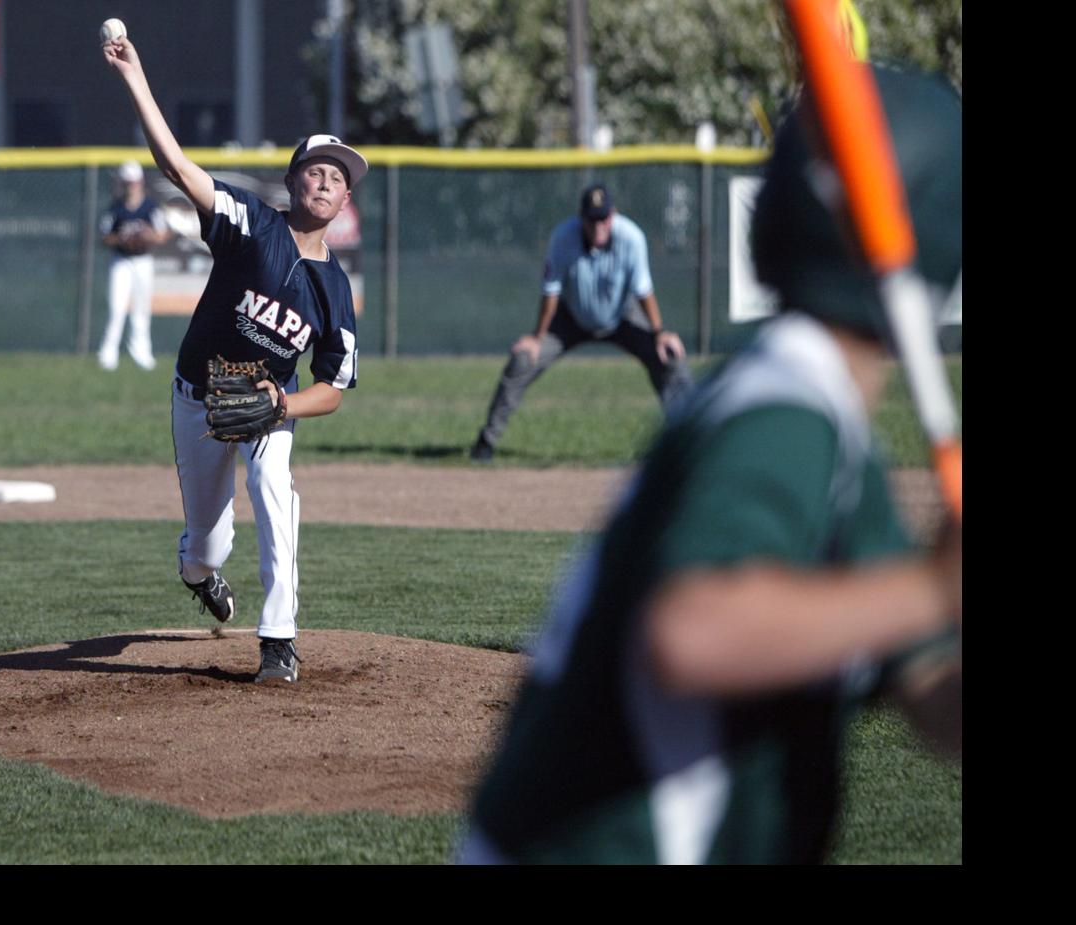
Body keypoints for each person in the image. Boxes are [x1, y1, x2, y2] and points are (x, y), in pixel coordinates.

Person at [458, 64, 962, 864]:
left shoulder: (823, 427)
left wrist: (928, 604)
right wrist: (933, 585)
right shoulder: (784, 407)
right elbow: (691, 629)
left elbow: (931, 691)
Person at [102, 33, 364, 683]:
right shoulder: (254, 223)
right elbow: (176, 169)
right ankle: (198, 572)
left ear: (345, 200)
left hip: (267, 404)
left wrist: (285, 403)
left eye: (339, 176)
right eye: (316, 169)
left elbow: (332, 385)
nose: (326, 179)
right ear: (293, 180)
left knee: (275, 488)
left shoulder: (335, 290)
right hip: (197, 393)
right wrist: (136, 76)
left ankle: (278, 637)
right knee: (206, 544)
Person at [468, 184, 692, 462]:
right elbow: (551, 293)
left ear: (613, 215)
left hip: (623, 315)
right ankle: (486, 442)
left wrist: (660, 333)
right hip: (571, 316)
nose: (598, 225)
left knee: (670, 357)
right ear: (581, 217)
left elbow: (643, 291)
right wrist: (537, 338)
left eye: (603, 218)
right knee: (523, 359)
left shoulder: (631, 237)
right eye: (591, 218)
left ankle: (693, 444)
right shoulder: (563, 237)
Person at [97, 159, 171, 371]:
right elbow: (105, 236)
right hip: (121, 261)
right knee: (117, 308)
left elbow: (162, 233)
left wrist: (148, 236)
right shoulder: (116, 208)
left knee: (141, 308)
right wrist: (122, 238)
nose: (131, 185)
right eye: (127, 182)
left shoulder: (150, 207)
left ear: (140, 182)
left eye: (134, 181)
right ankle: (108, 354)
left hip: (142, 261)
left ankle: (141, 352)